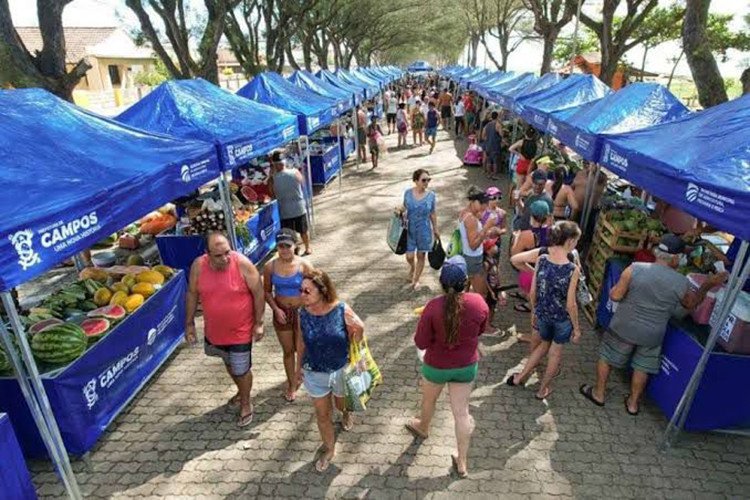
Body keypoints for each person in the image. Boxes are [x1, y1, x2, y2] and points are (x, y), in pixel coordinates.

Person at [580, 234, 728, 415]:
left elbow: (615, 296)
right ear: (675, 258)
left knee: (607, 356)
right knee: (642, 366)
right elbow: (691, 305)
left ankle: (599, 394)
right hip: (653, 334)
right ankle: (633, 404)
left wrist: (615, 289)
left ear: (658, 252)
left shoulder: (634, 269)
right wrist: (707, 285)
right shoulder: (681, 282)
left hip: (623, 327)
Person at [406, 256, 489, 478]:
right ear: (467, 282)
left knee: (429, 400)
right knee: (462, 413)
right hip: (466, 366)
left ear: (442, 284)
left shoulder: (432, 308)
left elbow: (421, 342)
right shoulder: (479, 302)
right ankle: (462, 463)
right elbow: (481, 330)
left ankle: (423, 427)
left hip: (436, 366)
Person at [185, 232, 265, 427]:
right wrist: (189, 323)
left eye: (227, 252)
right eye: (218, 255)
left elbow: (259, 292)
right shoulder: (198, 266)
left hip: (241, 330)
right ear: (207, 254)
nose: (225, 258)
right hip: (215, 332)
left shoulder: (242, 263)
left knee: (242, 369)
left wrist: (259, 322)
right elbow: (192, 294)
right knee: (229, 363)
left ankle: (246, 403)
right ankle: (241, 391)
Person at [295, 270, 365, 472]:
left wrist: (359, 330)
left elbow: (357, 334)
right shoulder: (303, 314)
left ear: (322, 290)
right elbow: (300, 343)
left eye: (307, 291)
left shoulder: (341, 309)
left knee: (341, 404)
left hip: (340, 370)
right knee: (323, 415)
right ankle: (329, 448)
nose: (302, 295)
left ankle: (346, 412)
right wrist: (297, 369)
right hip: (314, 372)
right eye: (300, 290)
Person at [506, 222, 582, 400]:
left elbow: (533, 292)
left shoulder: (542, 259)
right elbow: (571, 304)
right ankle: (542, 390)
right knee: (554, 353)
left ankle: (519, 377)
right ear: (570, 241)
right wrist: (577, 328)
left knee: (541, 346)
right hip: (561, 319)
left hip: (543, 314)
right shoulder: (573, 269)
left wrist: (535, 312)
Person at [263, 229, 314, 402]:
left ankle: (300, 374)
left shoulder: (304, 265)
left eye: (287, 246)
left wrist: (308, 308)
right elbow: (267, 292)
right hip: (282, 312)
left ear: (295, 246)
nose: (284, 250)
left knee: (301, 349)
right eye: (280, 246)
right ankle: (291, 384)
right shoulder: (270, 266)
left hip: (302, 312)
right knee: (287, 351)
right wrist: (276, 310)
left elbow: (315, 288)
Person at [510, 201, 552, 314]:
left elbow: (514, 256)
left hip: (529, 273)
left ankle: (530, 302)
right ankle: (526, 295)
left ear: (532, 216)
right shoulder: (553, 232)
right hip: (546, 271)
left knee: (530, 287)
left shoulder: (526, 235)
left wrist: (516, 238)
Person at [268, 150, 312, 256]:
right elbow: (302, 184)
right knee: (303, 231)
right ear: (285, 162)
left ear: (274, 164)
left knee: (289, 233)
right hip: (299, 207)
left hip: (284, 210)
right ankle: (308, 248)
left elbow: (272, 195)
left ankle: (295, 248)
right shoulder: (295, 172)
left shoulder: (271, 179)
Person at [403, 169, 439, 289]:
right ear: (416, 181)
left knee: (421, 255)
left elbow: (432, 213)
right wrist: (400, 212)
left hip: (424, 229)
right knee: (409, 256)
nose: (426, 182)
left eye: (428, 180)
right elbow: (404, 207)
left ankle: (416, 279)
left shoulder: (431, 196)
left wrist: (435, 229)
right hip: (410, 229)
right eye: (424, 180)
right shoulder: (408, 193)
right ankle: (412, 267)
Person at [459, 186, 497, 297]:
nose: (484, 207)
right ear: (474, 201)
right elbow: (473, 245)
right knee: (481, 295)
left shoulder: (464, 212)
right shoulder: (471, 219)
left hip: (467, 256)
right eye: (482, 204)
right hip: (473, 258)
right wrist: (486, 227)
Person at [481, 111, 502, 179]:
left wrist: (487, 139)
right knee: (495, 161)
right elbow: (501, 134)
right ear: (497, 117)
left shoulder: (487, 125)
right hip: (495, 145)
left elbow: (483, 135)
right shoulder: (498, 125)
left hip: (488, 145)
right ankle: (494, 175)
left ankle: (489, 174)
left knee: (489, 161)